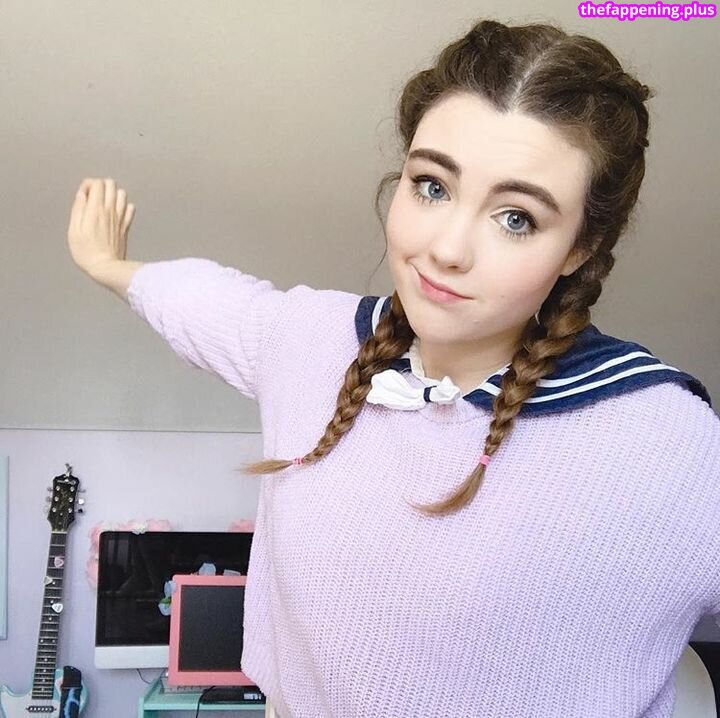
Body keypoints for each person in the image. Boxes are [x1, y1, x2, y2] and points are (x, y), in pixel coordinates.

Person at [67, 17, 719, 718]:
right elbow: (206, 301)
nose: (447, 249)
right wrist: (110, 267)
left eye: (516, 218)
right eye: (433, 186)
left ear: (580, 249)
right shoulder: (310, 339)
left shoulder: (670, 444)